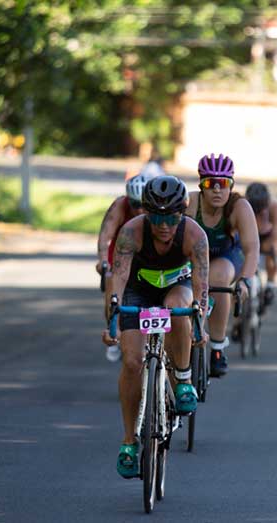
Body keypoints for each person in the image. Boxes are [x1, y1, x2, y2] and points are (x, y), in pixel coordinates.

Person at [101, 175, 210, 479]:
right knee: (132, 362)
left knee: (178, 308)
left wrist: (200, 323)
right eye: (157, 218)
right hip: (138, 289)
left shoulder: (194, 235)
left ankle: (183, 378)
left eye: (171, 218)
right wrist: (112, 320)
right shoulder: (131, 232)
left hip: (178, 285)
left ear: (182, 214)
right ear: (146, 214)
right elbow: (118, 279)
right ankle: (129, 441)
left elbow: (201, 286)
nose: (164, 226)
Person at [185, 153, 260, 377]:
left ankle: (217, 347)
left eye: (223, 183)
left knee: (218, 277)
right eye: (211, 184)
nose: (217, 190)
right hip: (193, 256)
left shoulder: (239, 207)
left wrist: (245, 281)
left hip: (227, 255)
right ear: (201, 186)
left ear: (231, 186)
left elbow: (252, 249)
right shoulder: (190, 204)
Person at [96, 173, 154, 362]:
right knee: (111, 279)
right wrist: (103, 260)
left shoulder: (158, 212)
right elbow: (105, 236)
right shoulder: (120, 206)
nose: (140, 210)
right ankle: (113, 328)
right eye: (135, 205)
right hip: (120, 255)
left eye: (144, 205)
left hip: (146, 258)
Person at [245, 182, 277, 308]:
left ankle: (270, 284)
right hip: (247, 236)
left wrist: (265, 249)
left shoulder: (276, 208)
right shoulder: (241, 204)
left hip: (267, 236)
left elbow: (276, 234)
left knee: (274, 251)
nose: (257, 213)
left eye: (260, 209)